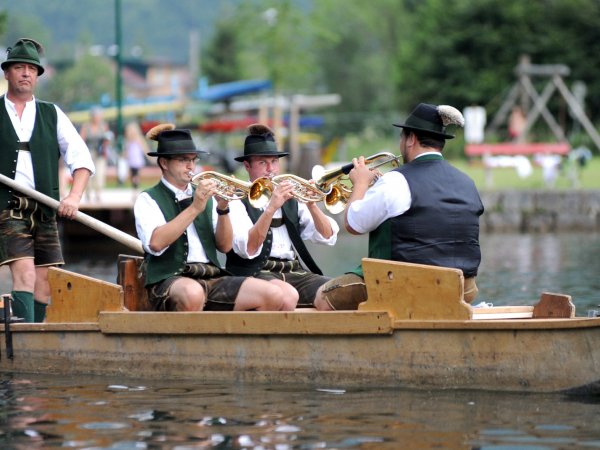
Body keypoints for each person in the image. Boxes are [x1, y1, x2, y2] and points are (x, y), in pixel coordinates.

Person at [314, 103, 484, 311]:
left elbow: (352, 223)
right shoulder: (467, 182)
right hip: (463, 287)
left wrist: (360, 183)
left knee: (323, 297)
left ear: (411, 138)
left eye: (402, 137)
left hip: (409, 285)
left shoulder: (396, 181)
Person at [134, 124, 297, 312]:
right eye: (183, 160)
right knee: (193, 293)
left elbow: (224, 246)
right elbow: (156, 243)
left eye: (193, 160)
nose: (191, 166)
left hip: (211, 277)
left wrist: (223, 208)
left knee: (273, 295)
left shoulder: (206, 196)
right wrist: (195, 207)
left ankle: (239, 340)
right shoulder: (148, 199)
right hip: (169, 281)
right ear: (164, 163)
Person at [0, 38, 95, 322]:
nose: (26, 73)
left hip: (44, 209)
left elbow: (82, 161)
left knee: (45, 282)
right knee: (26, 274)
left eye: (32, 68)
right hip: (8, 207)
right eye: (19, 67)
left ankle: (38, 335)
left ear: (38, 76)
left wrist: (74, 197)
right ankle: (27, 344)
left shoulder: (52, 114)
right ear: (7, 73)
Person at [226, 124, 339, 307]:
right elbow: (249, 247)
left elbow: (327, 237)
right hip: (255, 273)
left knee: (337, 292)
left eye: (274, 162)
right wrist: (271, 208)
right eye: (263, 163)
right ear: (247, 166)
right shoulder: (235, 198)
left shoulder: (291, 197)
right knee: (287, 295)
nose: (271, 169)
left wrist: (312, 205)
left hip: (294, 271)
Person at [79, 106, 110, 201]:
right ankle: (88, 193)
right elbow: (81, 139)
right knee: (88, 173)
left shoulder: (103, 126)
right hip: (89, 152)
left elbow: (107, 139)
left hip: (100, 152)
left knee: (100, 173)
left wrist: (105, 148)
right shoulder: (86, 126)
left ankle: (98, 193)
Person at [123, 121, 149, 191]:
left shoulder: (139, 139)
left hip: (137, 160)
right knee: (132, 176)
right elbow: (127, 151)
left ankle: (136, 188)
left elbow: (144, 148)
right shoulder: (128, 141)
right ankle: (135, 188)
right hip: (131, 161)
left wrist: (149, 157)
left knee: (136, 175)